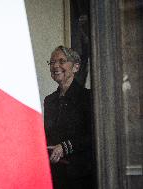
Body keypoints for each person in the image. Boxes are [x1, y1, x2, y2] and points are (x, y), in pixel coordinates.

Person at [44, 46, 94, 189]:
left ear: (76, 67)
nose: (55, 66)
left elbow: (94, 136)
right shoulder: (49, 100)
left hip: (80, 175)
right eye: (52, 62)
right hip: (54, 174)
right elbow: (49, 134)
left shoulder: (88, 97)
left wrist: (64, 147)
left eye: (61, 61)